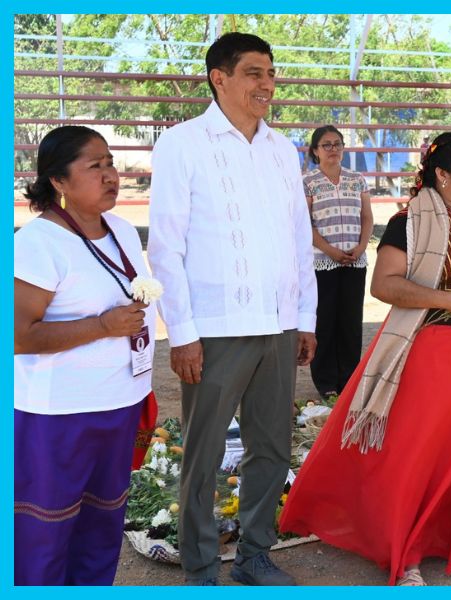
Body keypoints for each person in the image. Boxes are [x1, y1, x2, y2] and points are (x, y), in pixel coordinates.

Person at [279, 131, 451, 586]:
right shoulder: (409, 221)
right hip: (434, 356)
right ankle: (406, 552)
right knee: (418, 457)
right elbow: (385, 285)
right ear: (443, 174)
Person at [148, 32, 317, 586]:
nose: (267, 84)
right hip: (216, 329)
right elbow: (166, 247)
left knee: (271, 449)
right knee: (203, 453)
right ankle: (200, 567)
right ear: (219, 79)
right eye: (253, 73)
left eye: (271, 73)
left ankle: (254, 557)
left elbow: (298, 239)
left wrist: (304, 318)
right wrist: (183, 333)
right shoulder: (182, 144)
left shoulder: (282, 149)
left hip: (278, 325)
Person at [14, 126, 156, 585]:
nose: (111, 175)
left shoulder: (120, 230)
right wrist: (102, 327)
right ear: (58, 180)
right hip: (58, 416)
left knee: (102, 526)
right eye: (95, 166)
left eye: (111, 162)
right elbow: (17, 336)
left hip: (118, 404)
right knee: (45, 533)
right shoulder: (37, 243)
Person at [304, 125, 374, 399]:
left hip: (355, 262)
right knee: (325, 321)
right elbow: (305, 224)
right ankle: (326, 382)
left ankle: (348, 379)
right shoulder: (307, 182)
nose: (333, 149)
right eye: (326, 145)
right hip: (323, 262)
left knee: (350, 322)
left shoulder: (357, 180)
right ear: (315, 151)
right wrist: (330, 250)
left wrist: (361, 247)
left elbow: (366, 217)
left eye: (337, 144)